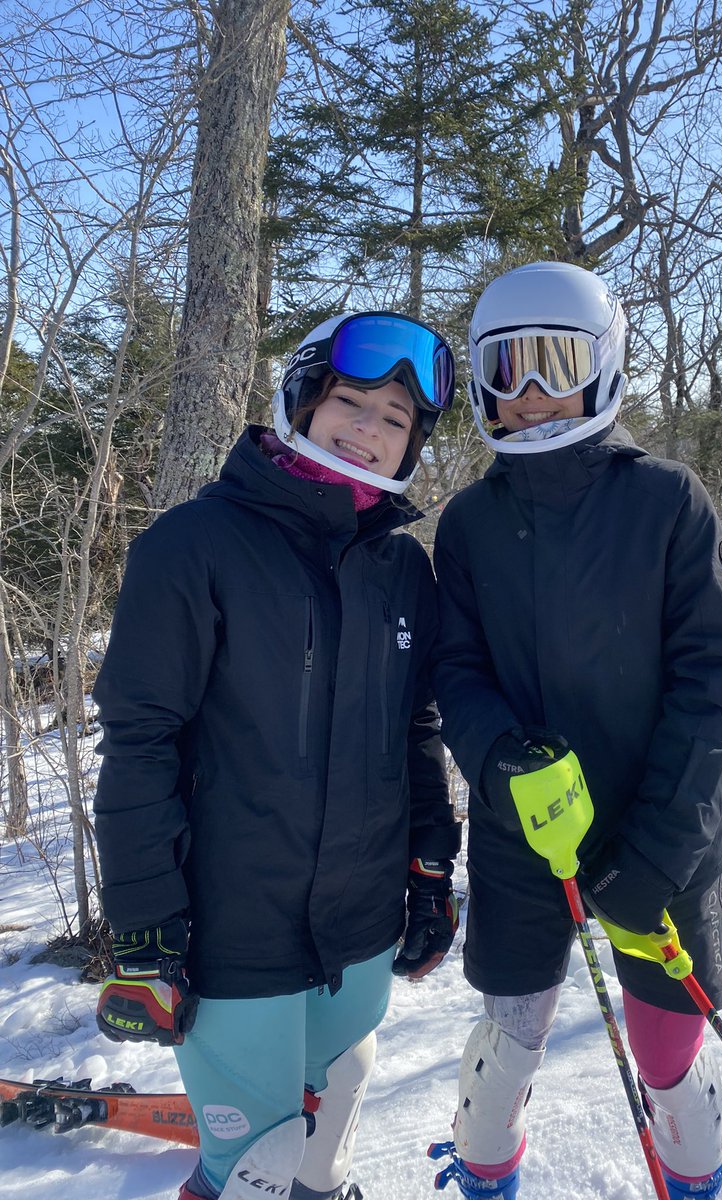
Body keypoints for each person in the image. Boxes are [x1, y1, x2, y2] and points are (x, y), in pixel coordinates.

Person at [91, 311, 462, 1200]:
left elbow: (416, 734)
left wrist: (429, 870)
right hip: (232, 940)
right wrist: (145, 930)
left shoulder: (403, 570)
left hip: (360, 933)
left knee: (327, 1152)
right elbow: (140, 741)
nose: (369, 428)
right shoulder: (193, 547)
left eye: (396, 419)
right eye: (352, 400)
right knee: (255, 1172)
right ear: (301, 397)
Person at [427, 262, 722, 1199]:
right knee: (510, 1036)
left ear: (600, 365)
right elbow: (458, 668)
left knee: (664, 1049)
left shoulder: (666, 501)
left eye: (552, 365)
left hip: (661, 831)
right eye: (507, 369)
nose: (528, 395)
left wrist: (661, 849)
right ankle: (487, 1168)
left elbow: (713, 679)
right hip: (527, 832)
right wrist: (498, 760)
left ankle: (690, 1168)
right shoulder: (472, 522)